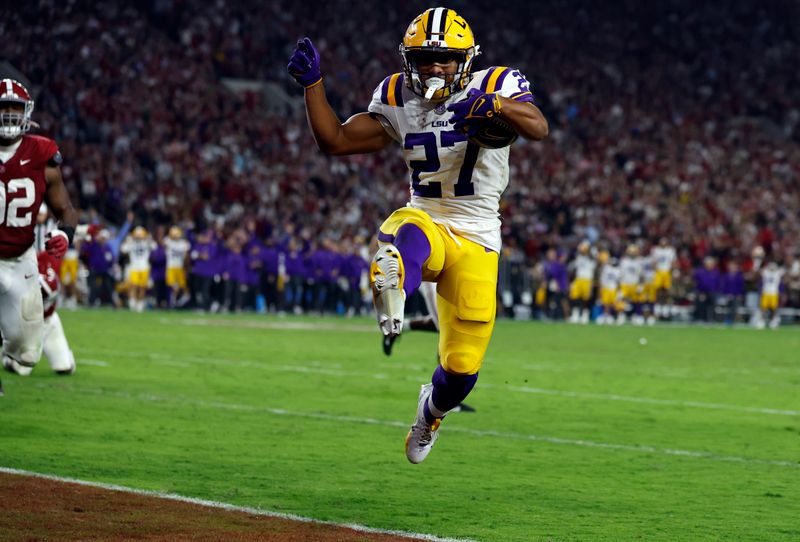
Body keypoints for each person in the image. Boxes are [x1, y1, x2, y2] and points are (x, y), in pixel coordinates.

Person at [288, 7, 548, 463]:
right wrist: (314, 87)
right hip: (425, 216)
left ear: (465, 59)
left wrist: (497, 106)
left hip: (479, 235)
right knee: (404, 239)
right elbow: (335, 141)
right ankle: (395, 293)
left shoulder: (495, 83)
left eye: (445, 58)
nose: (434, 67)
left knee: (462, 371)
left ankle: (430, 412)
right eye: (425, 57)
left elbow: (538, 127)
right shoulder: (395, 92)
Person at [0, 78, 79, 394]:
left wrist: (65, 234)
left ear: (26, 112)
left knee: (27, 353)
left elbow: (67, 209)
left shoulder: (42, 153)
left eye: (14, 108)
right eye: (2, 107)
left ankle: (13, 355)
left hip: (21, 260)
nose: (7, 114)